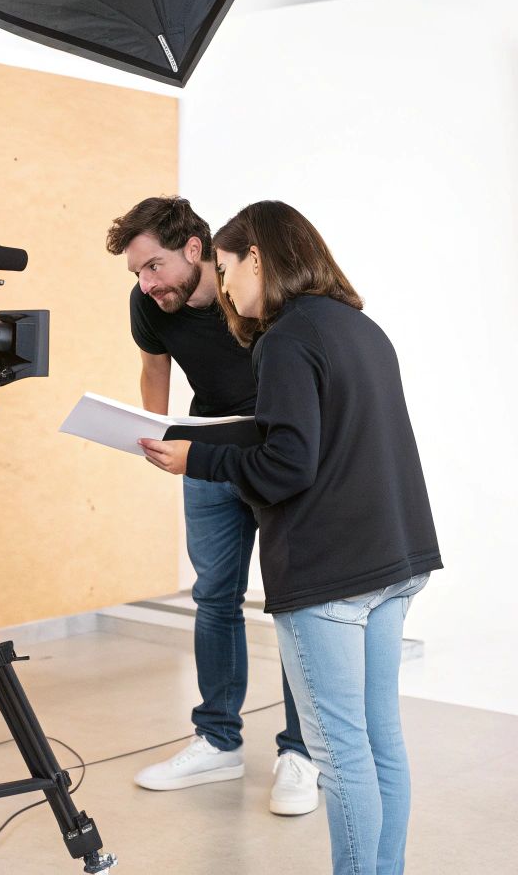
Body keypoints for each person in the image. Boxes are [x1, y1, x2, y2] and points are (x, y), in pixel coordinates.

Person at [140, 201, 443, 875]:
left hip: (330, 575)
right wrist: (205, 440)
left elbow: (286, 467)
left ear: (257, 258)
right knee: (380, 743)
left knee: (339, 755)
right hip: (393, 562)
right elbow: (312, 438)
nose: (225, 290)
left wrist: (198, 459)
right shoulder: (357, 327)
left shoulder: (283, 338)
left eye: (226, 269)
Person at [105, 196, 320, 816]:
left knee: (292, 601)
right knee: (213, 596)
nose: (147, 285)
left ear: (195, 251)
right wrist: (154, 430)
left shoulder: (250, 291)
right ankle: (218, 740)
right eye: (137, 274)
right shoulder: (149, 303)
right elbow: (154, 366)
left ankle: (301, 753)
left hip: (270, 457)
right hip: (202, 459)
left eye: (154, 267)